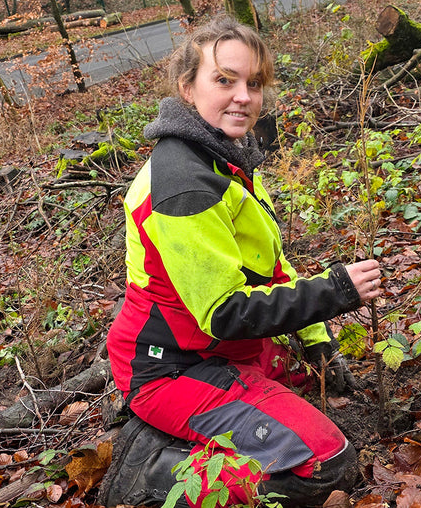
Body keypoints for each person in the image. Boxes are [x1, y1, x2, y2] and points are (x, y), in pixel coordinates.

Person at [99, 15, 383, 508]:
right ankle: (149, 472)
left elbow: (268, 264)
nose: (243, 97)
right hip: (174, 369)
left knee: (305, 388)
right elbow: (226, 313)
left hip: (225, 353)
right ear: (188, 88)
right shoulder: (185, 184)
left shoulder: (223, 156)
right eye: (224, 80)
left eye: (253, 83)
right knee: (327, 463)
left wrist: (318, 343)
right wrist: (335, 292)